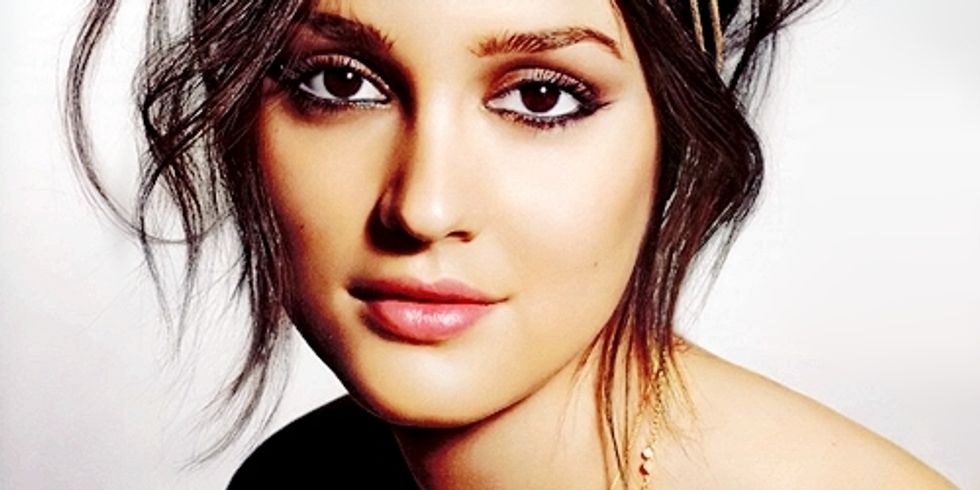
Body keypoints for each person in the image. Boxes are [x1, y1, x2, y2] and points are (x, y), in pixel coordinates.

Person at [65, 0, 955, 488]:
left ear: (674, 133)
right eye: (341, 83)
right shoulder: (298, 483)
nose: (423, 206)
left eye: (540, 97)